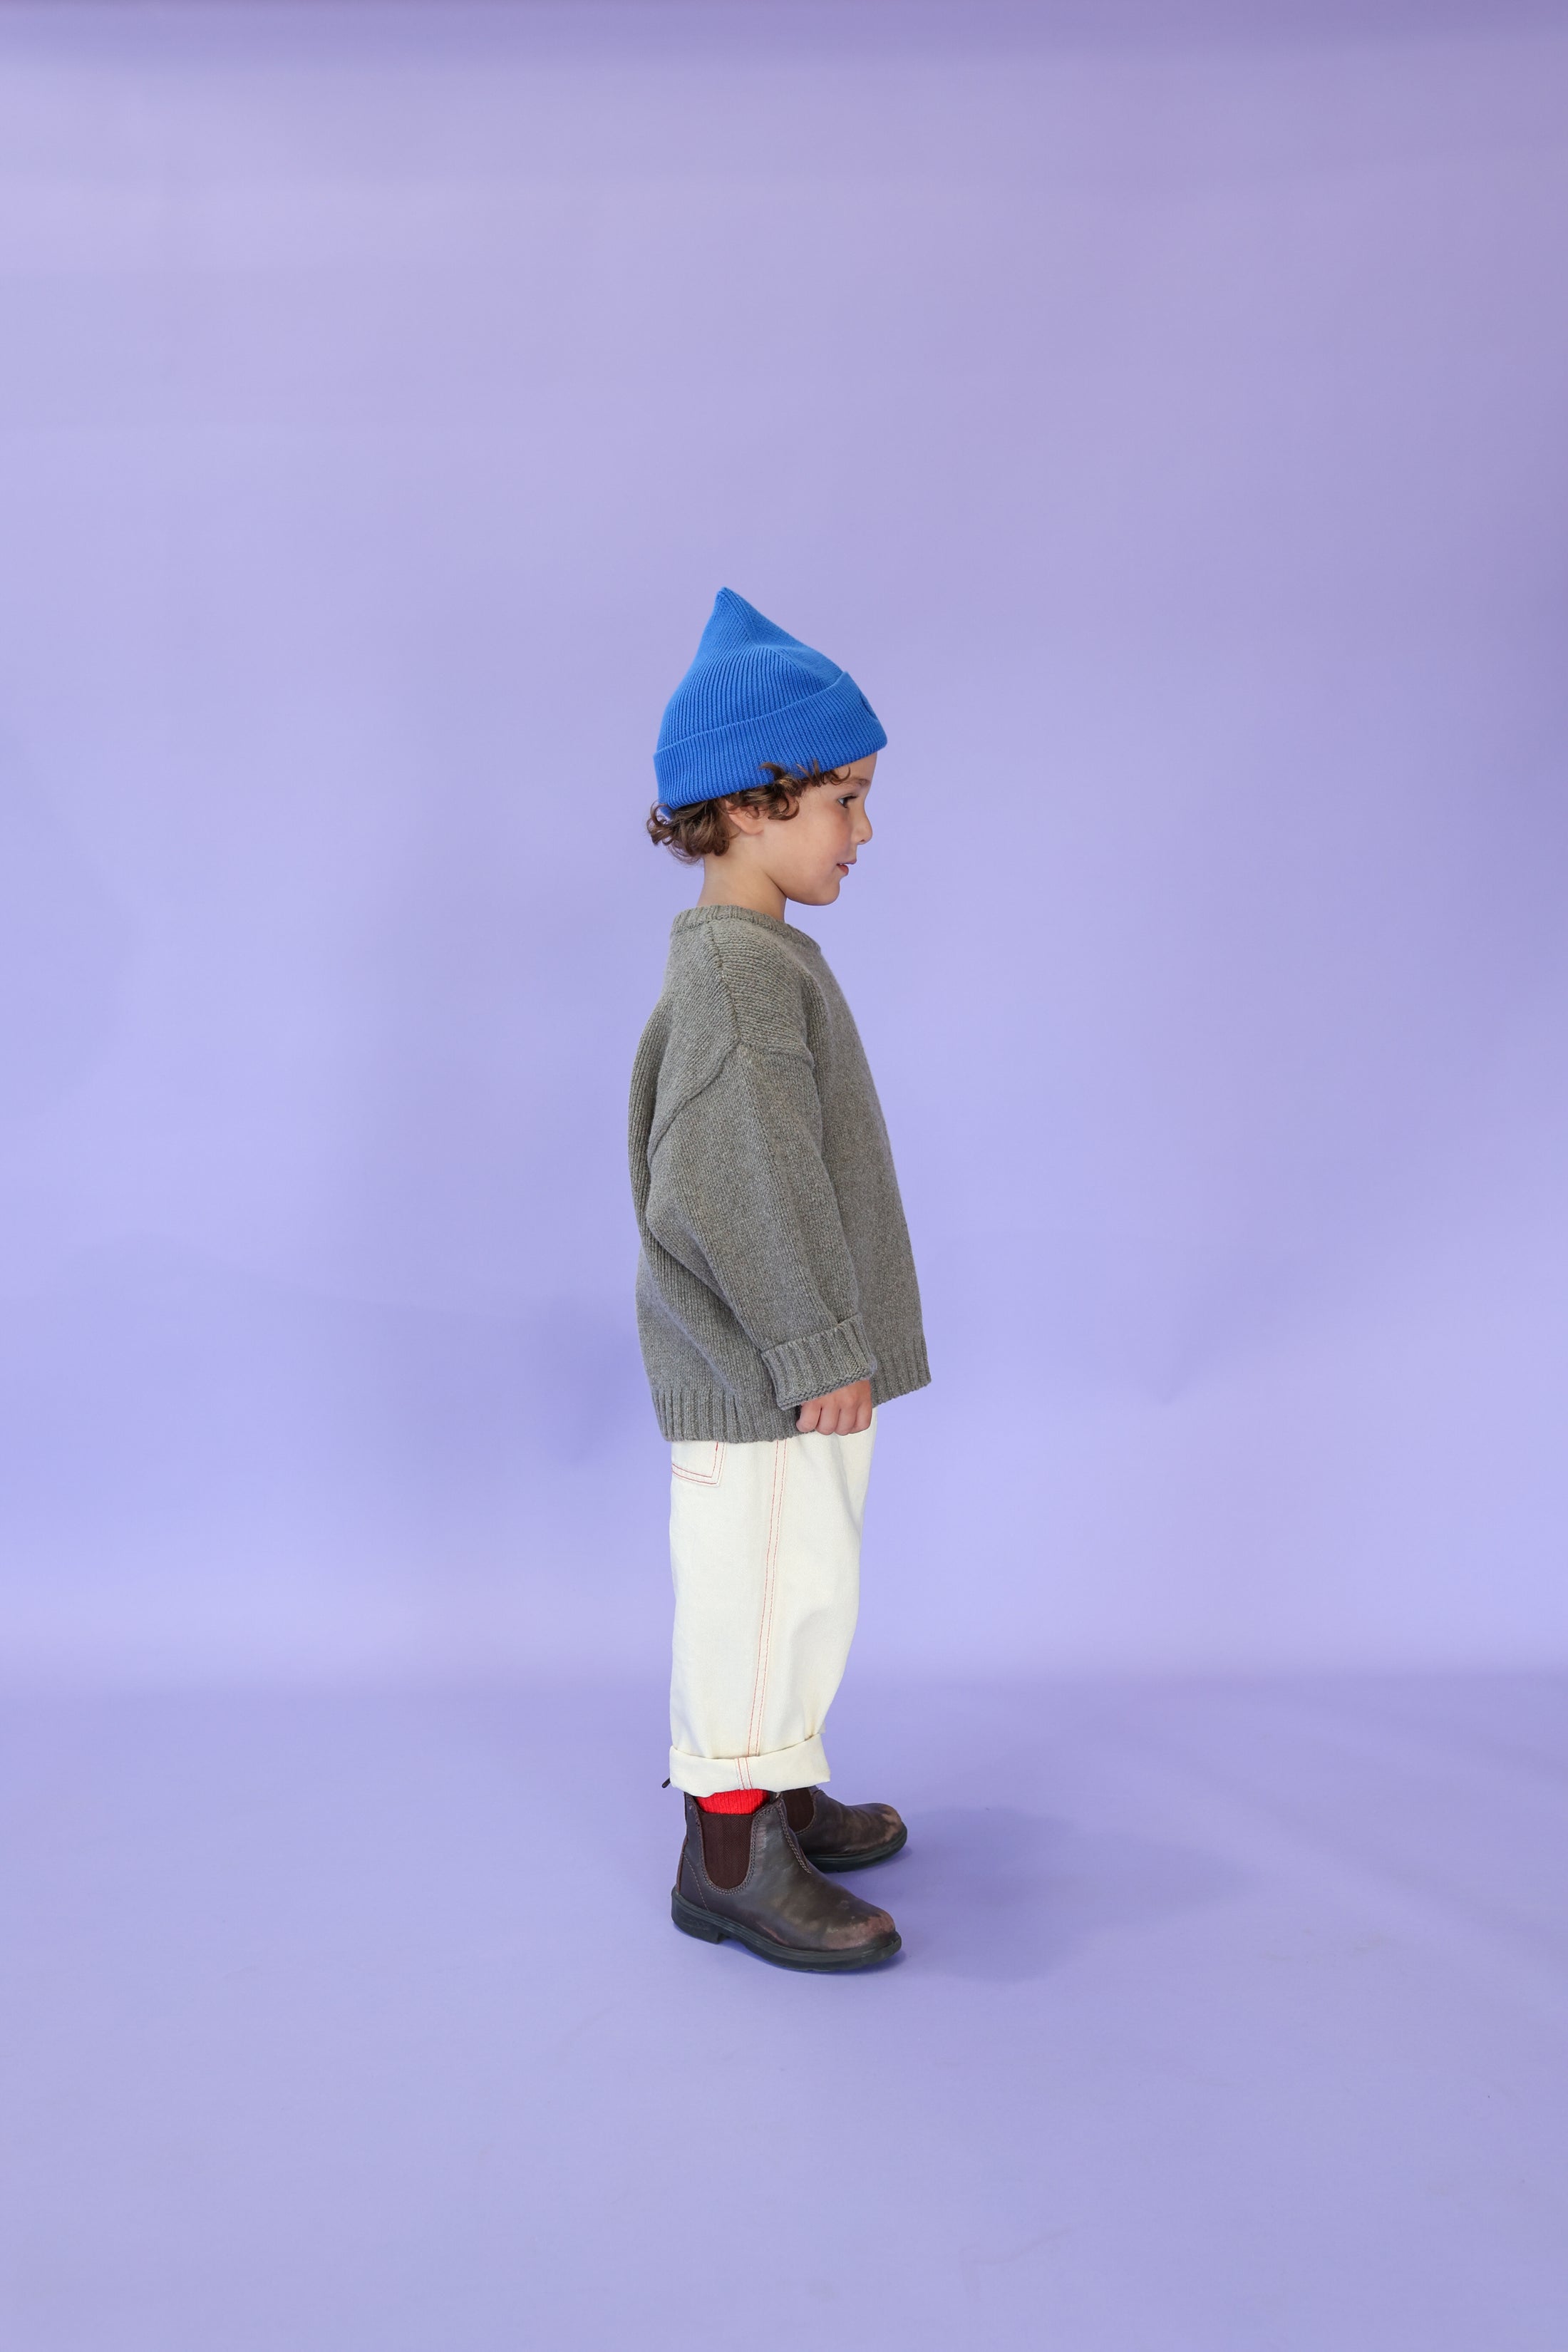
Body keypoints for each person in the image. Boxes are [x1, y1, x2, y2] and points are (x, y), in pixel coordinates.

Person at [628, 587, 930, 1971]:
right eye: (844, 800)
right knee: (753, 1601)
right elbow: (733, 1183)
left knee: (801, 1587)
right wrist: (814, 1345)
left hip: (791, 1371)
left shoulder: (758, 961)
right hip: (760, 1378)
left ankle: (783, 1785)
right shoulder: (737, 981)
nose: (862, 832)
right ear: (752, 804)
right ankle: (731, 1857)